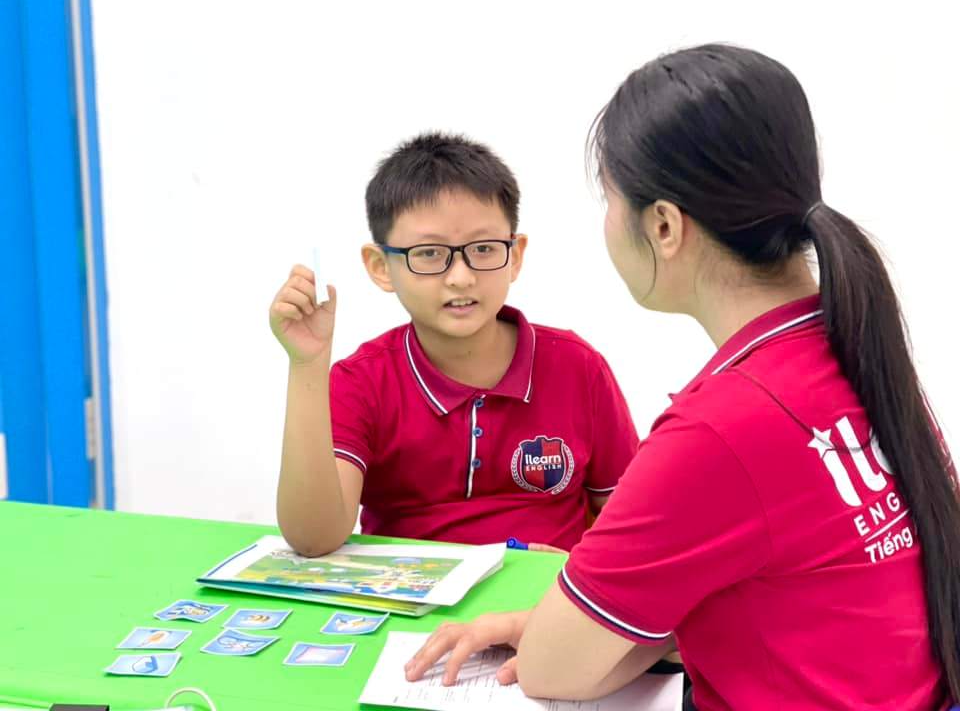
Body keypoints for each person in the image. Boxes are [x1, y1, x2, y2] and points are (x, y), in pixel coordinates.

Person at [404, 45, 959, 710]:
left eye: (610, 198)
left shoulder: (721, 429)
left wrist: (560, 630)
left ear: (664, 226)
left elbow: (553, 672)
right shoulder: (855, 349)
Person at [270, 132, 639, 557]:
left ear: (515, 255)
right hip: (411, 593)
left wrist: (579, 572)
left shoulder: (578, 367)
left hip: (546, 594)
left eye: (483, 249)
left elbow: (632, 522)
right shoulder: (362, 381)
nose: (461, 277)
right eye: (429, 253)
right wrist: (307, 365)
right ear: (380, 266)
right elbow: (313, 538)